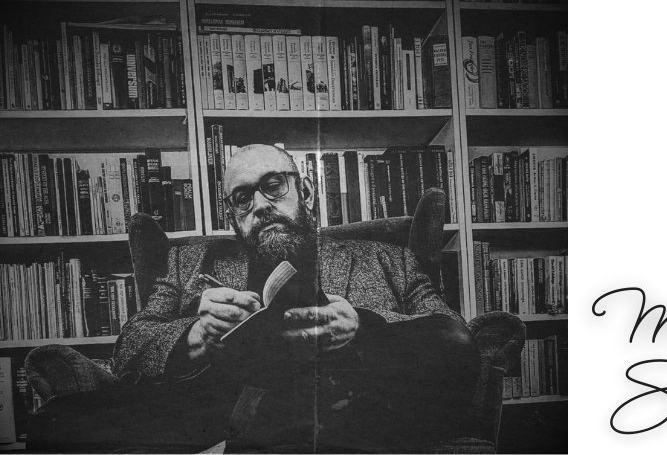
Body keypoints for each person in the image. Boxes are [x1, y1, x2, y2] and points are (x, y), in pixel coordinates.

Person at [26, 144, 479, 453]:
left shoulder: (386, 259)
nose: (260, 204)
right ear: (233, 216)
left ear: (306, 192)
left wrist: (363, 324)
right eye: (243, 197)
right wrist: (195, 335)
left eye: (274, 185)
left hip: (346, 398)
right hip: (213, 406)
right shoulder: (189, 262)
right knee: (57, 422)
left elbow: (453, 337)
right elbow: (130, 347)